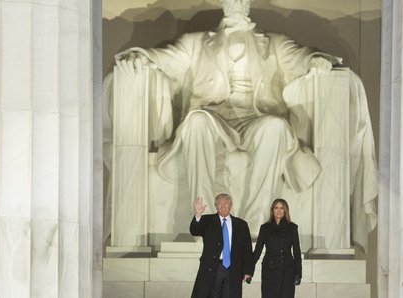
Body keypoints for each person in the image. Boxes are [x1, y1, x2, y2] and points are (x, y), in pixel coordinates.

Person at [113, 0, 340, 227]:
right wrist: (141, 57)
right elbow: (165, 57)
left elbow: (301, 57)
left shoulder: (274, 42)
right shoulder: (195, 42)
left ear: (248, 4)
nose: (236, 2)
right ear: (223, 3)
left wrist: (316, 61)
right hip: (214, 119)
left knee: (276, 126)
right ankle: (206, 222)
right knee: (196, 121)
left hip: (256, 119)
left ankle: (255, 223)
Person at [190, 194, 253, 298]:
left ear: (231, 205)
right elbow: (194, 231)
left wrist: (248, 271)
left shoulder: (241, 224)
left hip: (233, 270)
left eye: (226, 203)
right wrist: (198, 215)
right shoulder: (207, 221)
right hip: (213, 268)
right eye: (220, 204)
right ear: (215, 206)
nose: (223, 206)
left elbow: (247, 250)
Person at [252, 198, 302, 298]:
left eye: (282, 208)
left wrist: (298, 273)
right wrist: (248, 270)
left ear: (285, 210)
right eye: (276, 208)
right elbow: (257, 250)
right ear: (272, 210)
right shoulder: (265, 228)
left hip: (287, 270)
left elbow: (296, 251)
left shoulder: (292, 227)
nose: (279, 211)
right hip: (269, 270)